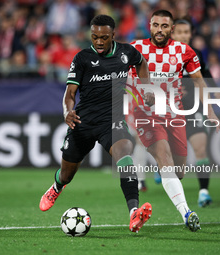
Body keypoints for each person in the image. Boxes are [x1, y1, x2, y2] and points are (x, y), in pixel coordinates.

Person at [39, 15, 152, 233]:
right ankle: (56, 187)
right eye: (94, 37)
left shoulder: (126, 53)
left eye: (103, 37)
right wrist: (67, 112)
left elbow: (142, 63)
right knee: (66, 174)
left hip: (112, 121)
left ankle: (134, 213)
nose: (98, 42)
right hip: (83, 122)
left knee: (125, 157)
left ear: (113, 35)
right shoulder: (82, 58)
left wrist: (147, 88)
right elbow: (70, 93)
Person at [129, 10, 220, 232]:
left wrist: (210, 112)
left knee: (178, 170)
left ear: (170, 29)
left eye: (164, 26)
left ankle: (164, 172)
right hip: (147, 115)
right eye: (156, 25)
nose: (159, 30)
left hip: (175, 115)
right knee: (165, 160)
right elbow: (120, 77)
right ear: (149, 26)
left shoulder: (185, 51)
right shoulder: (136, 48)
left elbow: (200, 82)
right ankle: (187, 213)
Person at [172, 19, 220, 207]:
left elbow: (204, 77)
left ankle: (203, 191)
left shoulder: (196, 54)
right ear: (172, 33)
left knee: (200, 148)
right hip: (170, 110)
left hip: (193, 108)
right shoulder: (162, 55)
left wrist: (214, 92)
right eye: (180, 32)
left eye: (187, 32)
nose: (184, 35)